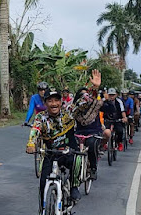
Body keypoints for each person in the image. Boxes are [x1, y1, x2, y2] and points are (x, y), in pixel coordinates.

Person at [26, 70, 103, 208]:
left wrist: (94, 88)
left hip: (68, 151)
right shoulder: (41, 117)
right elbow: (35, 130)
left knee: (77, 160)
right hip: (50, 154)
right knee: (43, 183)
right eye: (50, 100)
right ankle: (43, 209)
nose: (54, 103)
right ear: (45, 102)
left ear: (61, 102)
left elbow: (84, 101)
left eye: (56, 100)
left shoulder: (69, 112)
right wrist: (31, 143)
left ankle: (73, 187)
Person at [72, 86, 104, 179]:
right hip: (79, 132)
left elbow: (109, 107)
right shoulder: (74, 108)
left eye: (87, 95)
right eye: (82, 95)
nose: (85, 97)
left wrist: (97, 89)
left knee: (91, 144)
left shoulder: (96, 105)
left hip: (93, 132)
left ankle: (93, 168)